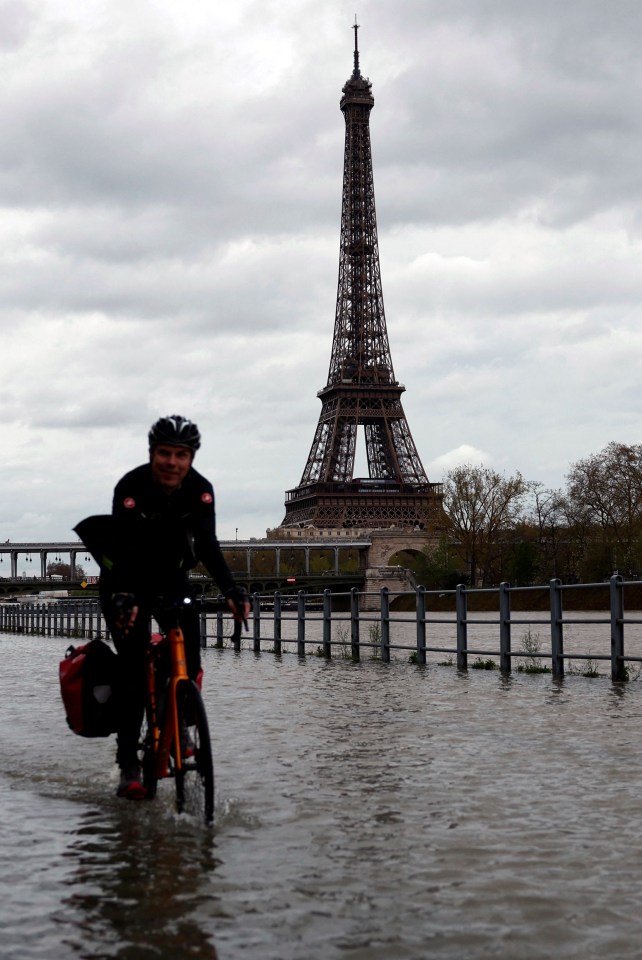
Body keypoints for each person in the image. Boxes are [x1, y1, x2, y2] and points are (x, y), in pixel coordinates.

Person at [76, 415, 249, 799]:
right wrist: (123, 595)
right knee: (134, 670)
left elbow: (207, 545)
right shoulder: (131, 487)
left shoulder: (201, 491)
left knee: (190, 658)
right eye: (165, 454)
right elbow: (120, 551)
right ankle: (129, 763)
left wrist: (233, 589)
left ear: (191, 459)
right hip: (126, 581)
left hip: (171, 578)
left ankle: (184, 724)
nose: (172, 462)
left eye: (181, 455)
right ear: (153, 454)